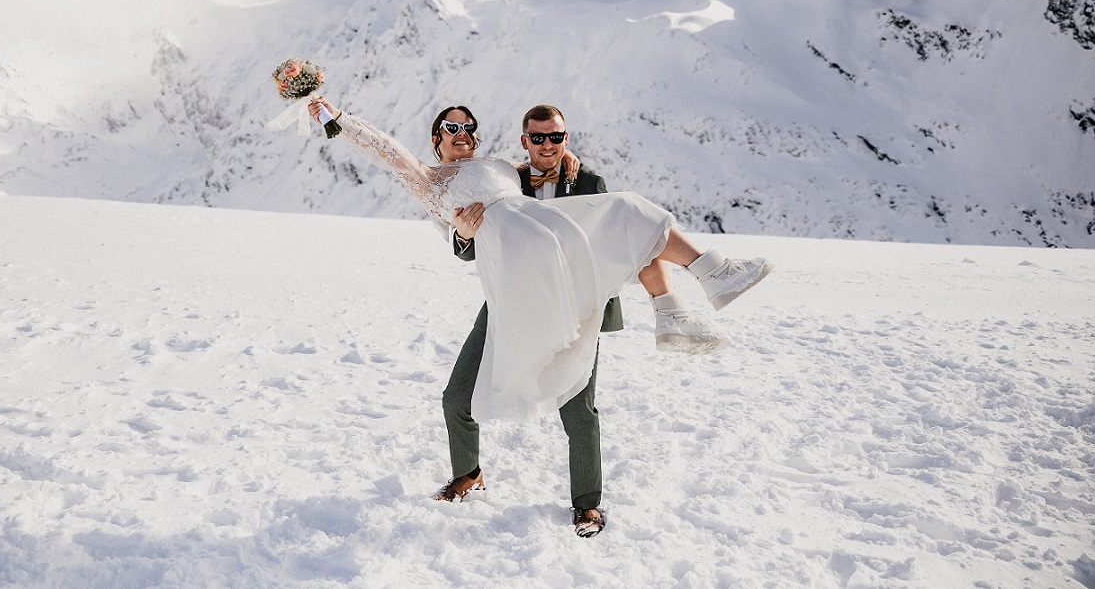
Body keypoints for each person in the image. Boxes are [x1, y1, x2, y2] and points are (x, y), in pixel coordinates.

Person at [300, 96, 771, 529]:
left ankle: (589, 496)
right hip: (512, 291)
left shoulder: (523, 171)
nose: (461, 132)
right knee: (456, 397)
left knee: (582, 395)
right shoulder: (429, 180)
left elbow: (577, 200)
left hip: (571, 289)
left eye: (469, 126)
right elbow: (385, 152)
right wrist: (332, 115)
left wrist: (562, 165)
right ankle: (468, 474)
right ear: (435, 137)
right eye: (451, 126)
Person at [438, 104, 733, 538]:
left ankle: (588, 505)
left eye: (555, 137)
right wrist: (463, 233)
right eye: (537, 137)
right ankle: (468, 474)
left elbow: (624, 238)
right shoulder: (505, 181)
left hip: (576, 309)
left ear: (566, 139)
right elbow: (468, 250)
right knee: (456, 396)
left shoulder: (589, 183)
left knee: (578, 409)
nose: (547, 145)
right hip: (508, 305)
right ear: (524, 142)